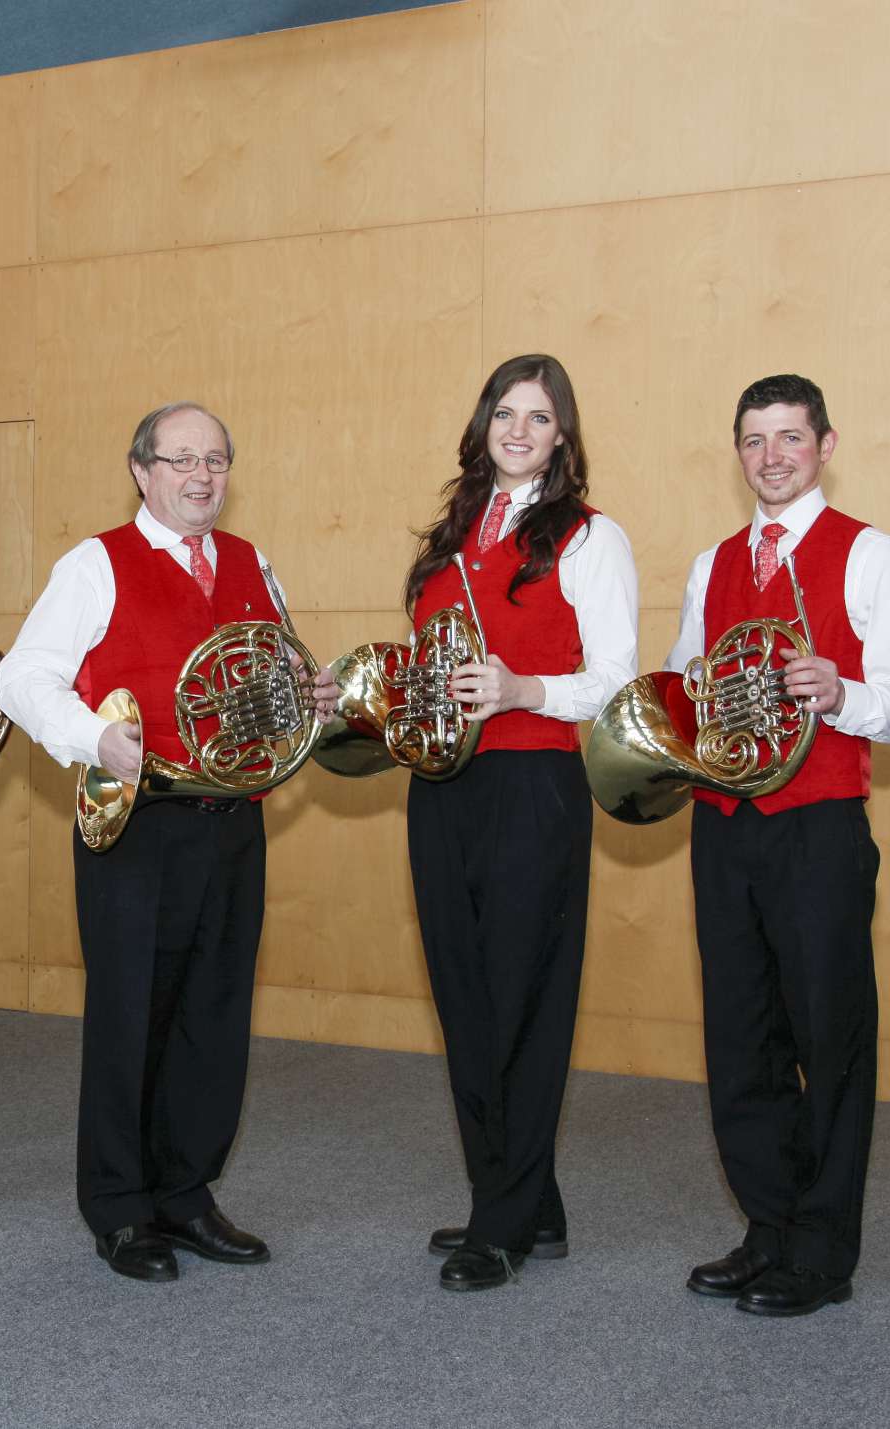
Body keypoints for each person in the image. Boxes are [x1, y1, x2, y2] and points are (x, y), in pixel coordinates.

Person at [0, 401, 339, 1283]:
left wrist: (307, 697)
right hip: (138, 823)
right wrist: (91, 737)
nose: (201, 475)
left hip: (233, 821)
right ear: (142, 469)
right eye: (181, 458)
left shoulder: (251, 561)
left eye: (216, 458)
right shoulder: (94, 563)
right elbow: (20, 677)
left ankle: (186, 1191)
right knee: (129, 1015)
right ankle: (117, 1207)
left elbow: (269, 671)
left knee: (214, 1014)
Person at [664, 375, 890, 1315]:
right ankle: (766, 1225)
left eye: (789, 437)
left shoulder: (871, 554)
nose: (771, 456)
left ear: (824, 443)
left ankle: (821, 1247)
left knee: (830, 1036)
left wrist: (837, 691)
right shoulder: (712, 562)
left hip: (818, 824)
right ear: (737, 452)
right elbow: (691, 689)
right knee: (742, 1037)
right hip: (726, 824)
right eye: (754, 440)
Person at [395, 355, 637, 1291]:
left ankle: (501, 1219)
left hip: (534, 784)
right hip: (442, 784)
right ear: (483, 423)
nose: (519, 429)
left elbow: (616, 679)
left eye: (540, 417)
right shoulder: (449, 533)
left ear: (563, 436)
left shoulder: (588, 537)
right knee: (464, 995)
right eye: (505, 411)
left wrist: (524, 688)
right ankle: (520, 1194)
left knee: (523, 999)